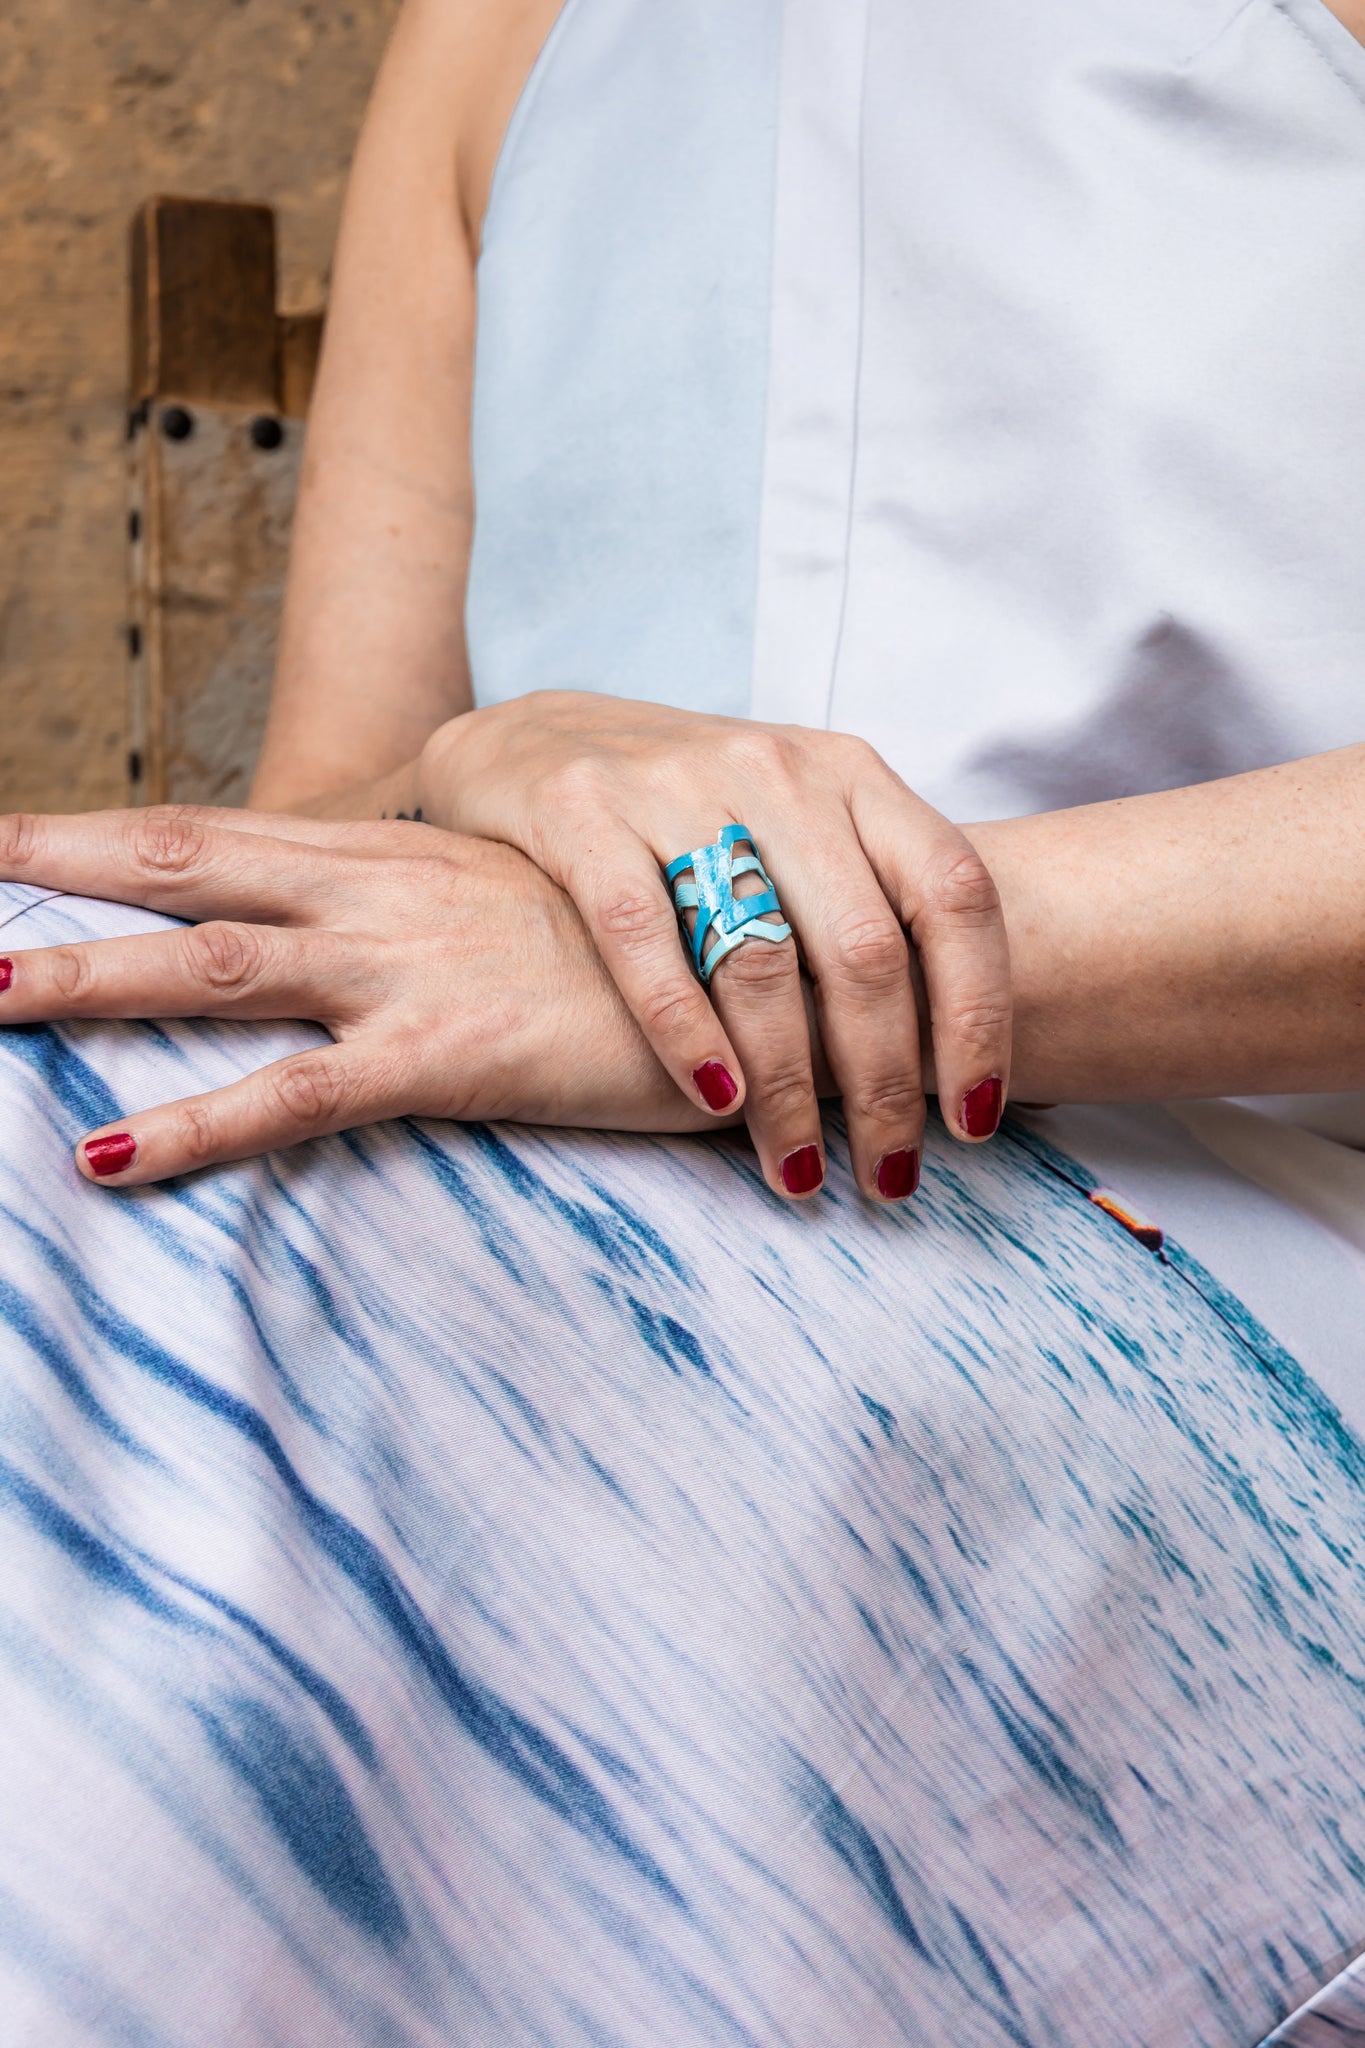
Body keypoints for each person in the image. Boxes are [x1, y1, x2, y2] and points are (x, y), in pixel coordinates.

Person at [0, 0, 1364, 2040]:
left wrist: (785, 959)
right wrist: (497, 758)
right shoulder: (487, 35)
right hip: (562, 1154)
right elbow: (320, 824)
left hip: (1231, 1246)